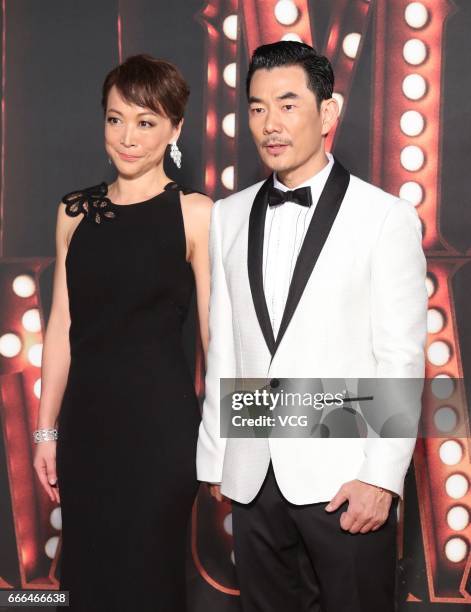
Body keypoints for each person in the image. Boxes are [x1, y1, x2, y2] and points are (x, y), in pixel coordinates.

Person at [197, 41, 427, 612]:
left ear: (328, 112)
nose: (269, 124)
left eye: (287, 104)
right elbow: (228, 348)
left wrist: (381, 477)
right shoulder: (227, 216)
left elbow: (401, 356)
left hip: (345, 481)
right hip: (253, 478)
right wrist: (218, 459)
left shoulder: (385, 217)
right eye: (255, 107)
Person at [33, 54, 212, 611]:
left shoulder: (196, 214)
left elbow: (216, 338)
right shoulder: (74, 211)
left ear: (176, 128)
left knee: (150, 579)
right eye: (116, 119)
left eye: (146, 121)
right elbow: (61, 326)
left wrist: (227, 437)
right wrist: (45, 430)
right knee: (87, 580)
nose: (127, 137)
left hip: (161, 433)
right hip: (86, 429)